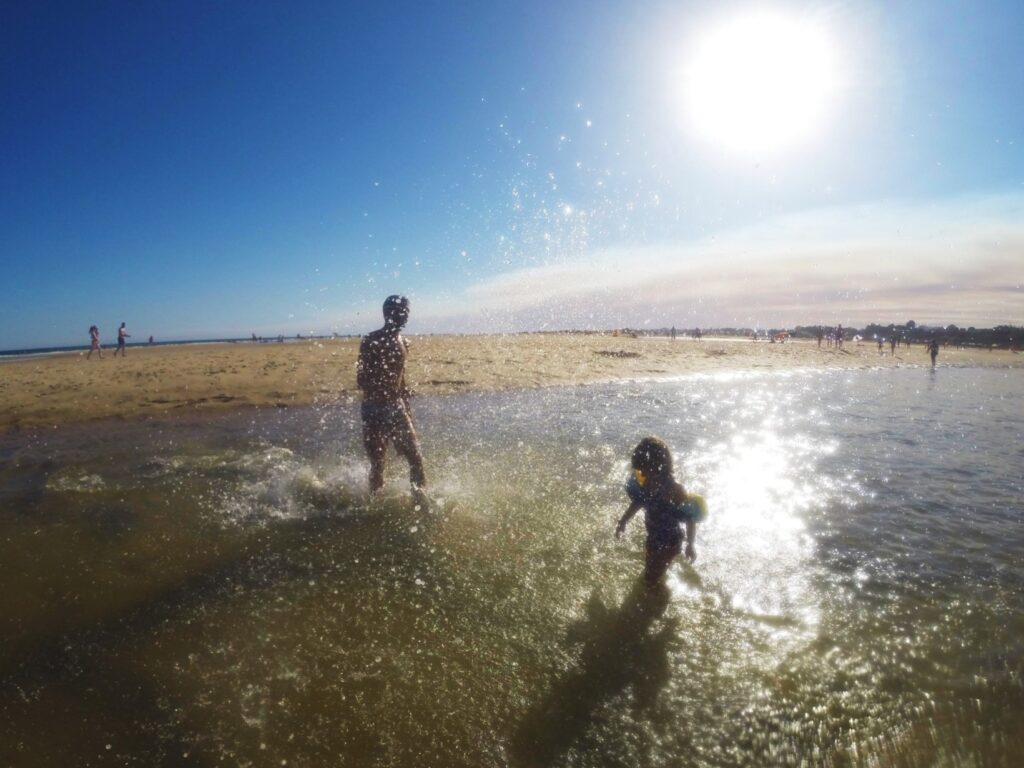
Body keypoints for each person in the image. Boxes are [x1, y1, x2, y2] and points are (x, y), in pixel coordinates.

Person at [357, 295, 427, 497]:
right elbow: (361, 380)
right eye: (398, 311)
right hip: (373, 409)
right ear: (386, 313)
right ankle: (373, 507)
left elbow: (401, 381)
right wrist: (386, 388)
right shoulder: (371, 340)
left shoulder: (405, 342)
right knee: (378, 463)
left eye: (406, 311)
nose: (403, 315)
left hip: (396, 407)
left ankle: (421, 502)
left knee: (415, 457)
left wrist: (408, 410)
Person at [615, 436, 706, 585]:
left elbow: (690, 518)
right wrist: (623, 521)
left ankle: (654, 598)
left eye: (644, 470)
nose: (642, 475)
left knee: (650, 578)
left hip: (670, 541)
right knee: (651, 568)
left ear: (658, 467)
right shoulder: (647, 484)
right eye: (640, 470)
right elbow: (637, 503)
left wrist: (690, 544)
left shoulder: (674, 489)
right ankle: (657, 584)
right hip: (653, 537)